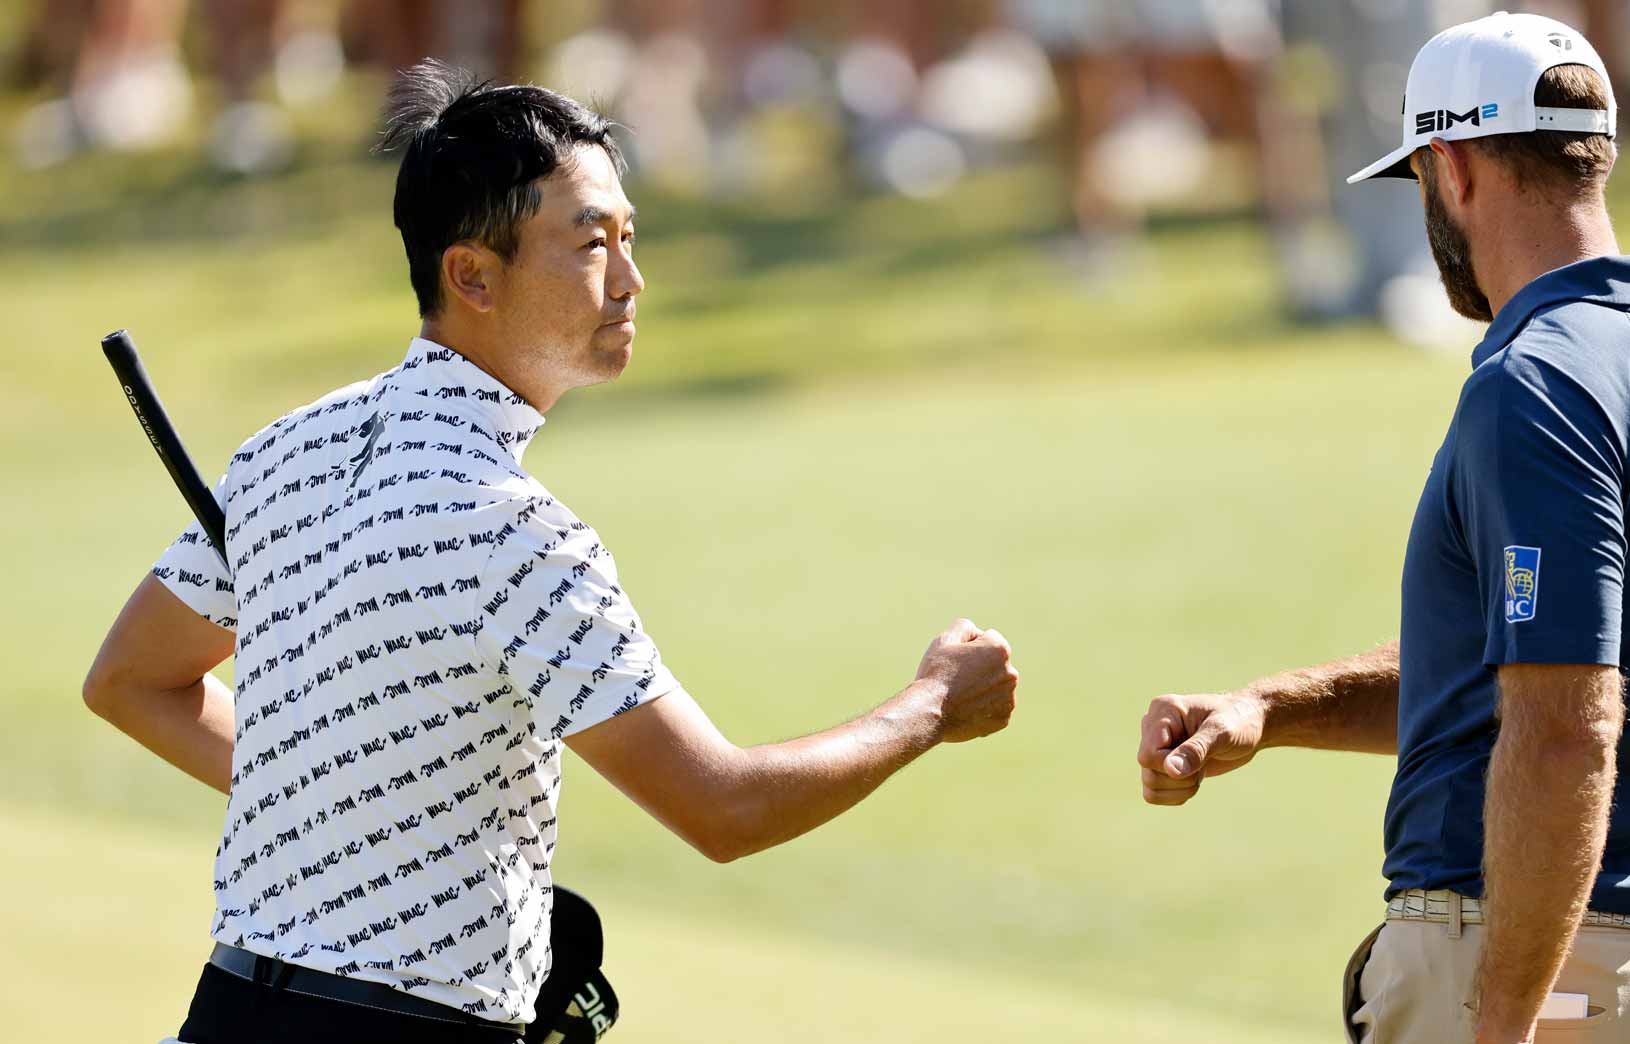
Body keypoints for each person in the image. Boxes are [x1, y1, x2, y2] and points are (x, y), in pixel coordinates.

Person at [83, 59, 1019, 1042]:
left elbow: (132, 681)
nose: (630, 278)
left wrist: (375, 817)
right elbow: (722, 808)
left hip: (218, 1016)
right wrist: (928, 708)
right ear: (471, 275)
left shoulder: (286, 449)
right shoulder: (517, 532)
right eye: (589, 246)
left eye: (627, 237)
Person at [1134, 12, 1630, 1044]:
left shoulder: (1534, 382)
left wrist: (1500, 1024)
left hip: (1555, 986)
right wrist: (1272, 708)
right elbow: (1546, 659)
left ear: (1450, 171)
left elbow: (1563, 731)